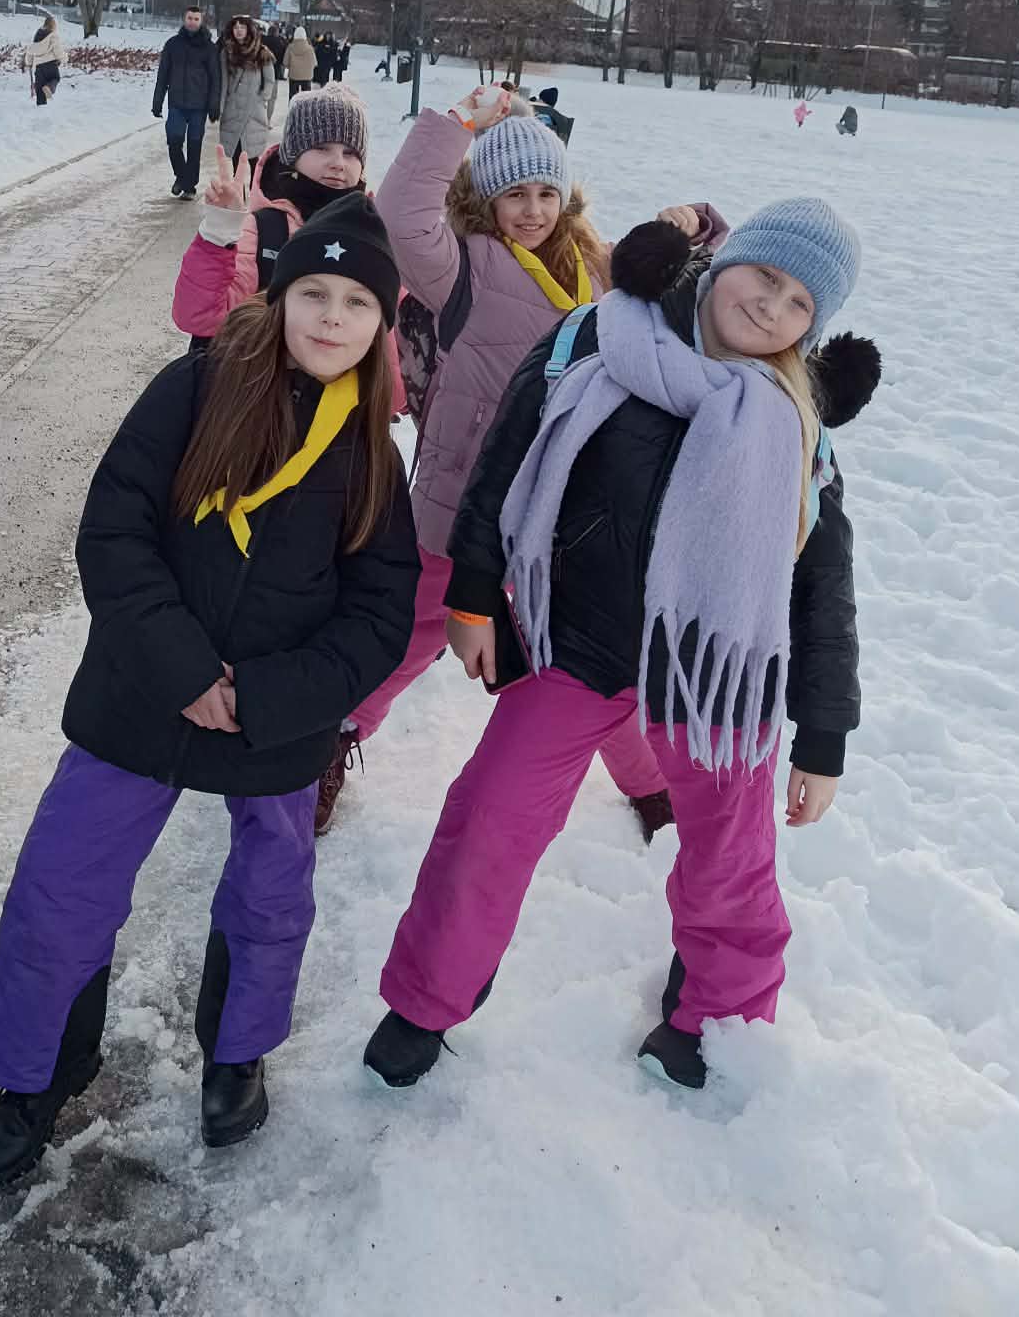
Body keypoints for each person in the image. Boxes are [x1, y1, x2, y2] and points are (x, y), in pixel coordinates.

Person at [364, 199, 879, 1095]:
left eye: (800, 303)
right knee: (489, 819)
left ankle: (719, 1014)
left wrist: (824, 735)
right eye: (764, 277)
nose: (771, 307)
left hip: (713, 676)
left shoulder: (795, 423)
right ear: (726, 262)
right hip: (580, 640)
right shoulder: (601, 338)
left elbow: (821, 585)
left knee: (731, 854)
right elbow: (507, 456)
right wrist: (476, 589)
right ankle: (425, 999)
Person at [0, 193, 421, 1185]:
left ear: (381, 324)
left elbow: (379, 615)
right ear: (281, 295)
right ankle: (36, 1077)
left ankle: (237, 1054)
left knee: (271, 893)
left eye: (356, 302)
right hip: (140, 691)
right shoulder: (197, 386)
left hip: (271, 722)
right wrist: (180, 668)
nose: (332, 317)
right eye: (315, 293)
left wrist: (264, 697)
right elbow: (114, 528)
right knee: (61, 884)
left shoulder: (374, 457)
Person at [313, 85, 727, 836]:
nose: (532, 210)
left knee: (580, 656)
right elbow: (403, 211)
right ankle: (334, 736)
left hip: (565, 510)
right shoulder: (462, 268)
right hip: (462, 498)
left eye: (545, 193)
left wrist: (694, 224)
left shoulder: (600, 269)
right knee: (412, 631)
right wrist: (457, 125)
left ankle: (647, 785)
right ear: (484, 200)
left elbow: (691, 289)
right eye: (513, 195)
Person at [172, 86, 371, 345]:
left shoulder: (374, 235)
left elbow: (389, 346)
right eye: (322, 148)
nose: (338, 163)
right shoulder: (265, 230)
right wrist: (220, 231)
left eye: (350, 153)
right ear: (292, 156)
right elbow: (200, 315)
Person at [153, 8, 221, 201]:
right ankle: (182, 177)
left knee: (194, 145)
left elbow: (216, 78)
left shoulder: (209, 48)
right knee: (174, 142)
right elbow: (163, 75)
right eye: (189, 18)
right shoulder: (173, 44)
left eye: (196, 19)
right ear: (184, 19)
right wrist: (157, 101)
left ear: (201, 21)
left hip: (199, 106)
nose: (192, 21)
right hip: (177, 104)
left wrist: (214, 104)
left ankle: (189, 187)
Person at [216, 15, 278, 184]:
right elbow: (224, 81)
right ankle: (238, 192)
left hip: (253, 111)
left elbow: (270, 80)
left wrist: (262, 98)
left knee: (252, 156)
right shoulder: (226, 52)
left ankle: (254, 191)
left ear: (249, 30)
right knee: (236, 156)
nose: (239, 31)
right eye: (235, 27)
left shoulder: (260, 52)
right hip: (233, 109)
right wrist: (221, 106)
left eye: (242, 27)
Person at [22, 14, 68, 106]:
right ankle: (49, 88)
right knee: (55, 78)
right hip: (51, 65)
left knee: (39, 90)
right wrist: (64, 59)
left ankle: (40, 108)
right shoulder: (53, 36)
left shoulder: (37, 37)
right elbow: (58, 51)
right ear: (53, 25)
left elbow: (30, 51)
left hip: (39, 67)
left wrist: (29, 63)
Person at [284, 26, 316, 99]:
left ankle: (293, 106)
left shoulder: (290, 47)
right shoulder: (310, 48)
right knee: (306, 98)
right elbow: (314, 63)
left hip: (294, 76)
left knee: (293, 97)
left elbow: (285, 62)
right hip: (307, 77)